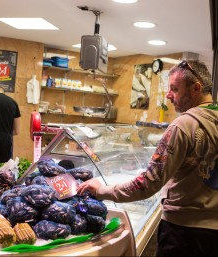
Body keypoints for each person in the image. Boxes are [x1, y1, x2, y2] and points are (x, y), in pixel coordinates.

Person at [78, 59, 218, 257]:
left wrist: (101, 191)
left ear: (196, 88)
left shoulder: (183, 125)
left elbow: (147, 184)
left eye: (175, 89)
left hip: (184, 234)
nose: (169, 95)